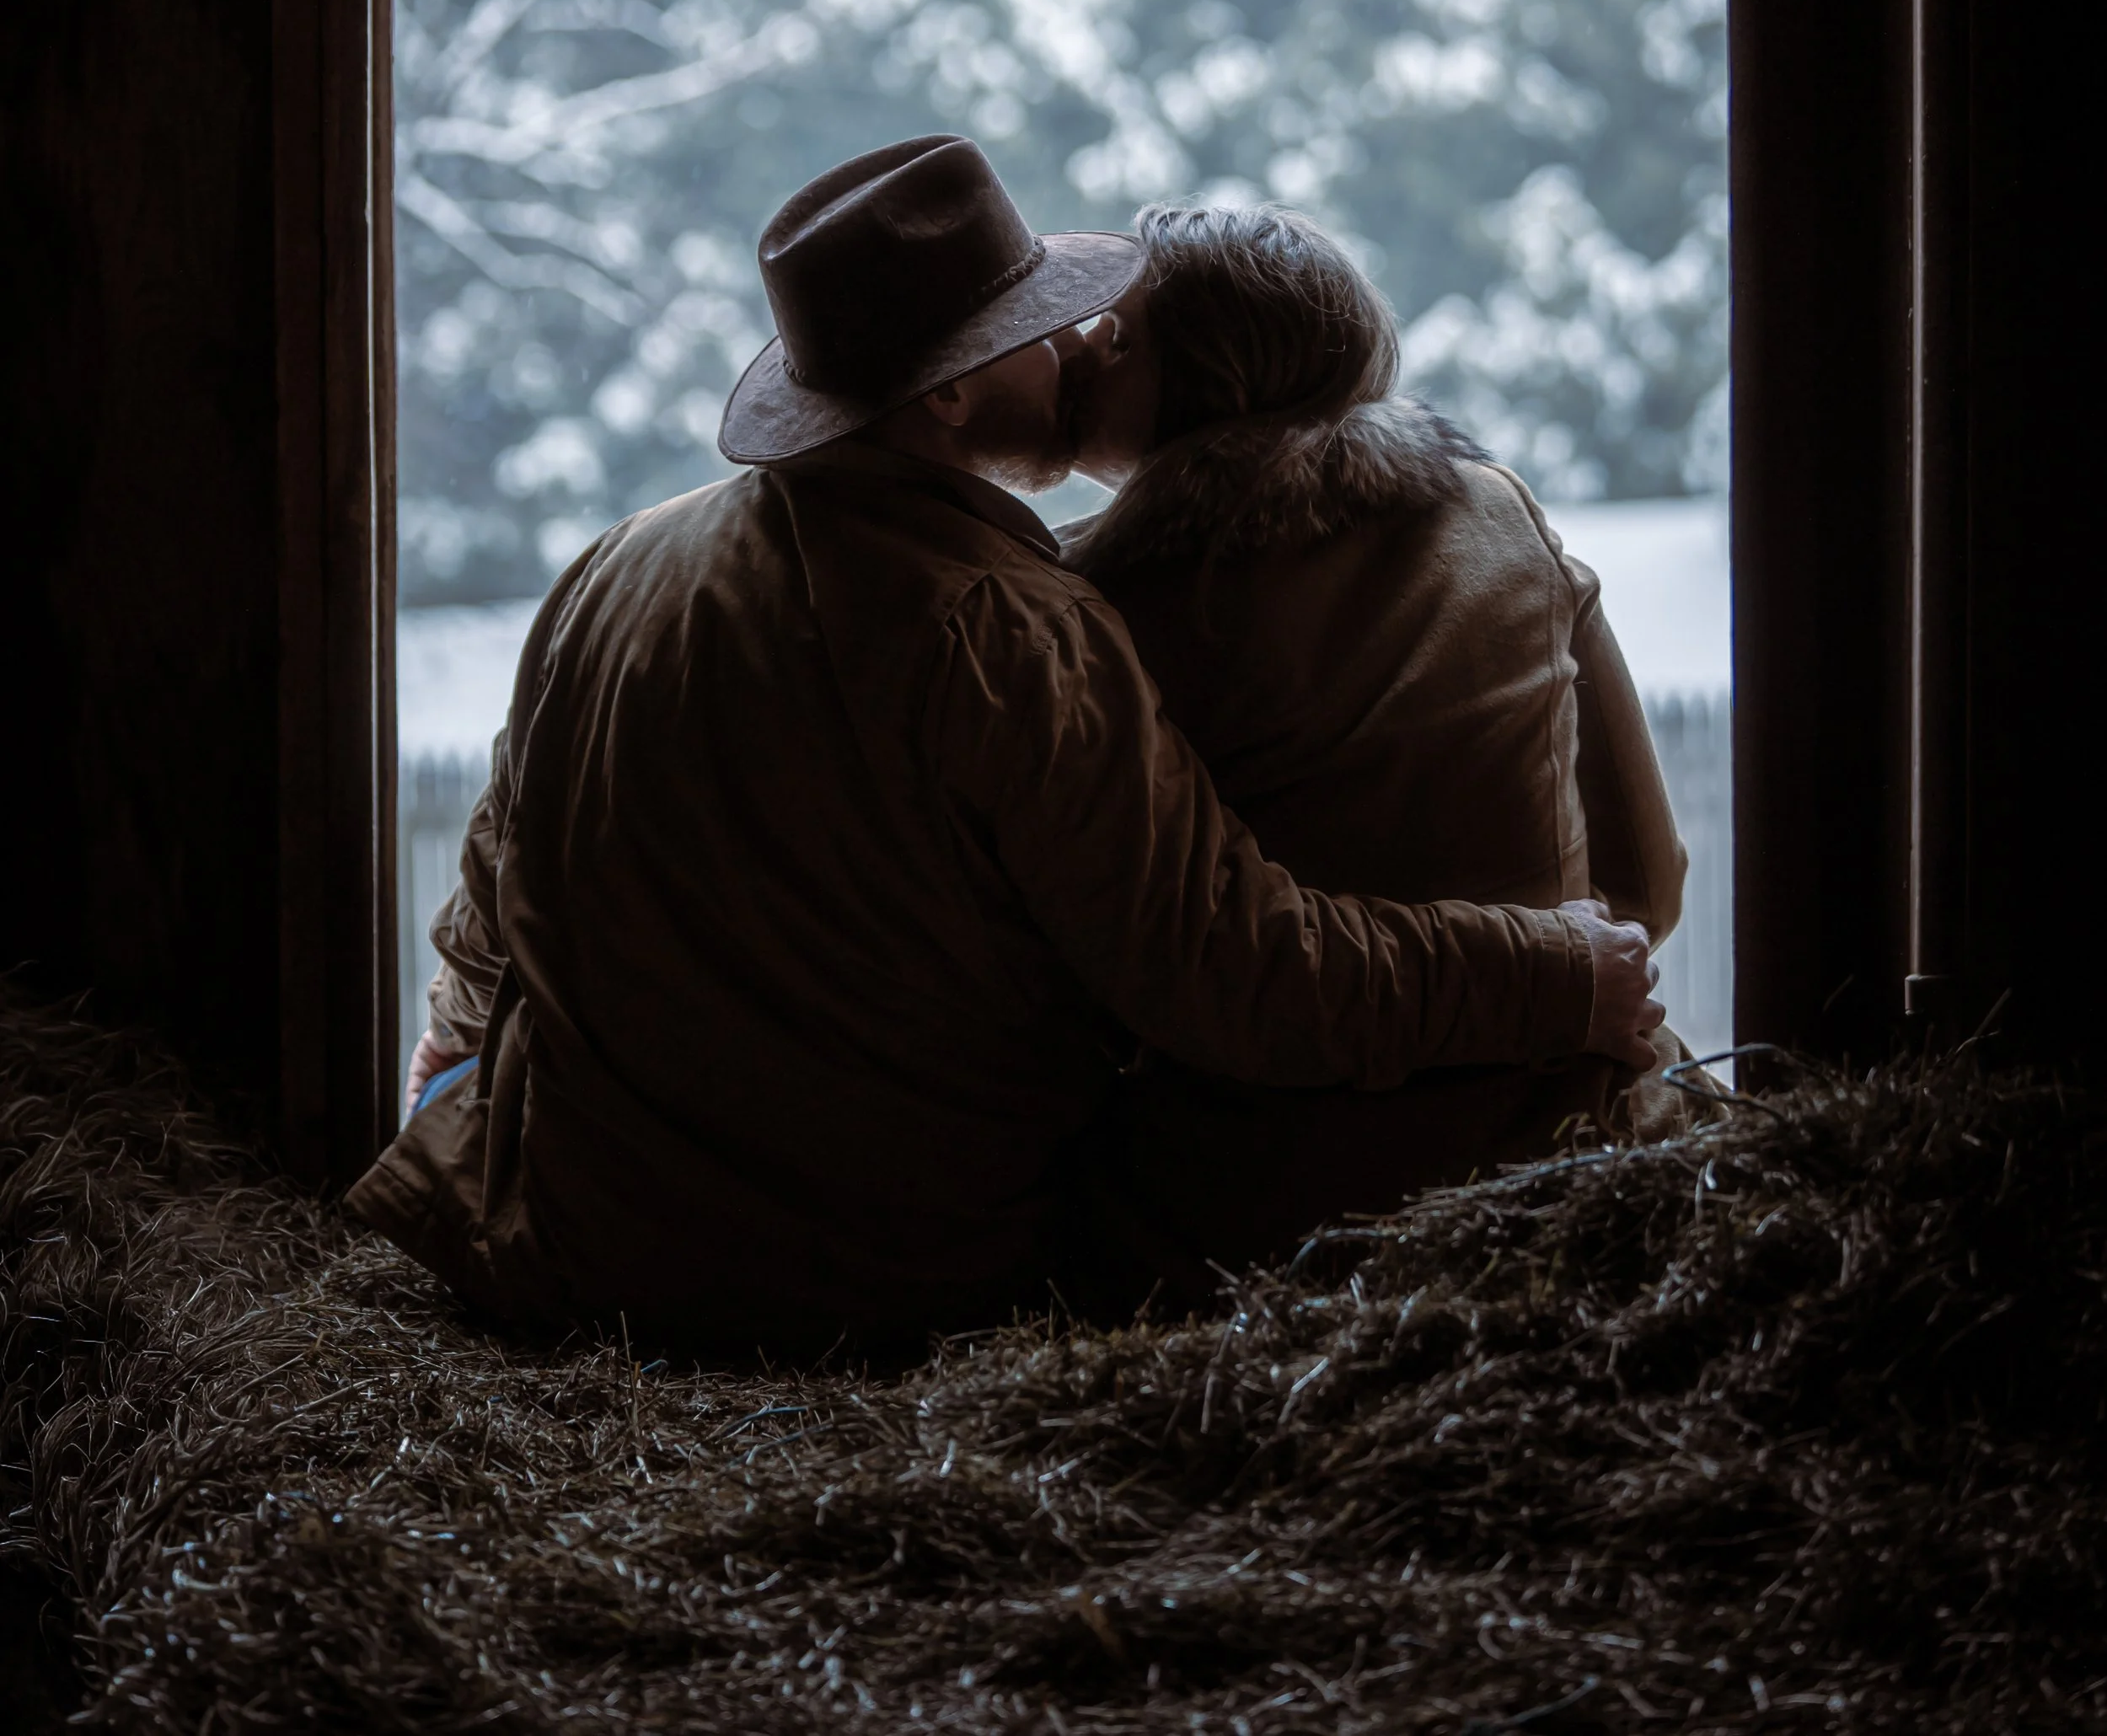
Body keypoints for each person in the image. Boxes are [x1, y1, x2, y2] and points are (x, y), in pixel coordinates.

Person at [351, 137, 1661, 1355]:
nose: (1077, 348)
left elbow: (491, 893)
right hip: (860, 1298)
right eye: (1042, 327)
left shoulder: (617, 558)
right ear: (963, 389)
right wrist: (1547, 976)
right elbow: (1228, 966)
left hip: (559, 1250)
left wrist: (452, 1076)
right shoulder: (1013, 629)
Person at [1059, 198, 1692, 1275]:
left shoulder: (1078, 607)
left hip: (1274, 1219)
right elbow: (1648, 885)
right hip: (1575, 1157)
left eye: (1111, 332)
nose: (1080, 346)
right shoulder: (1496, 512)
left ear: (1182, 368)